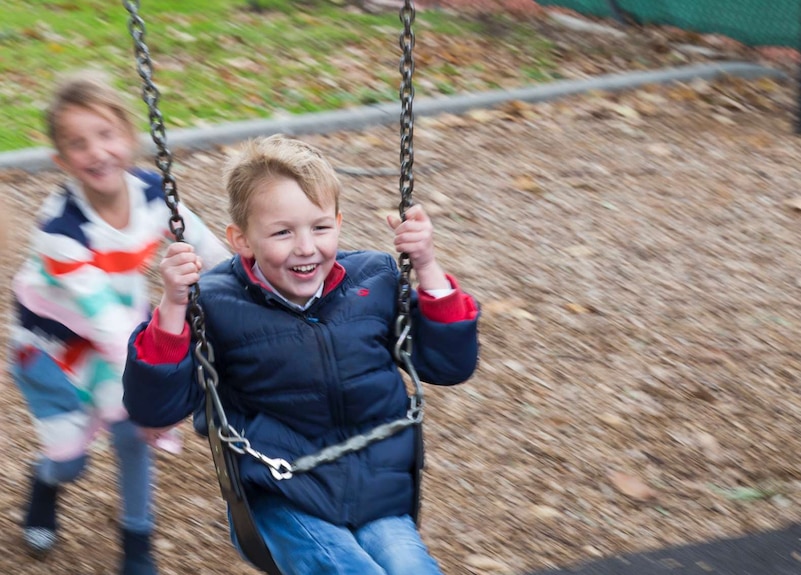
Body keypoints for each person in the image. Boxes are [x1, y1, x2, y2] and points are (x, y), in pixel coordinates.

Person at [122, 135, 480, 575]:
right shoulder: (212, 305)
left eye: (320, 227)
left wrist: (426, 266)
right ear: (243, 240)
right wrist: (174, 305)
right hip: (284, 497)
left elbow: (450, 365)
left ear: (339, 223)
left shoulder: (377, 279)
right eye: (282, 232)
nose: (306, 247)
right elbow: (153, 409)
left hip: (377, 492)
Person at [9, 71, 229, 575]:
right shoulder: (61, 230)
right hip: (55, 346)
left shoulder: (153, 192)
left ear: (128, 139)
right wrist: (155, 391)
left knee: (131, 436)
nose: (97, 151)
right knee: (72, 460)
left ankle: (137, 545)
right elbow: (103, 323)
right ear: (62, 161)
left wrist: (251, 293)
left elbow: (208, 251)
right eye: (78, 143)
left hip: (118, 327)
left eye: (106, 134)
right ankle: (46, 481)